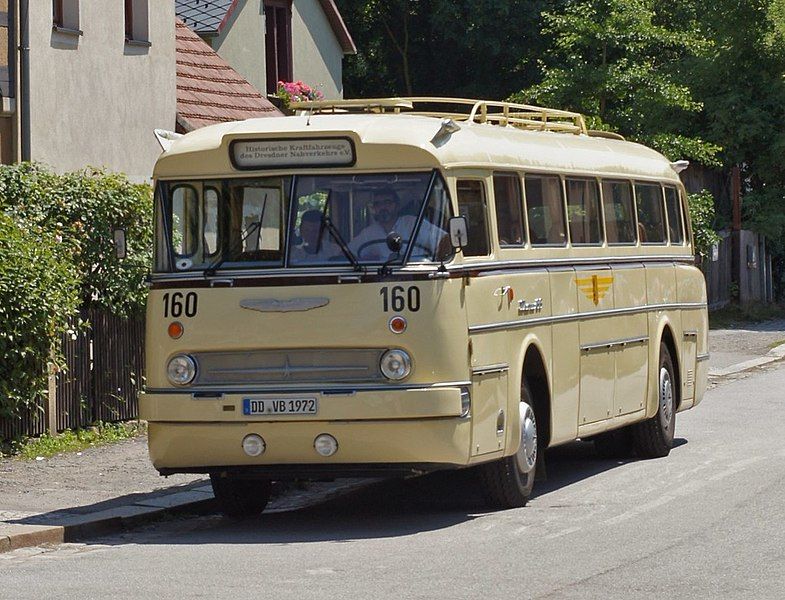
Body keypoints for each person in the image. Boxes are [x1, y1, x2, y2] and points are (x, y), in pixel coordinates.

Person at [350, 188, 446, 261]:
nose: (383, 207)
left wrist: (438, 262)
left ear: (397, 205)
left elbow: (444, 240)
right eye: (377, 204)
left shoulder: (412, 223)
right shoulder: (369, 233)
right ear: (374, 208)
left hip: (417, 276)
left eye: (387, 202)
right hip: (382, 279)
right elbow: (348, 253)